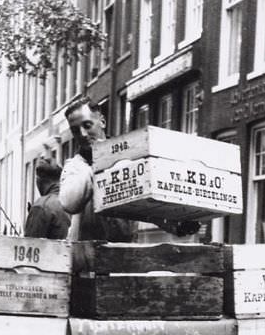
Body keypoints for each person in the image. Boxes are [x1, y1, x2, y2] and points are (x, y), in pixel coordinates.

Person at [59, 96, 199, 242]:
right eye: (75, 130)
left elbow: (145, 205)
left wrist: (176, 224)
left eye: (87, 125)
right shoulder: (74, 167)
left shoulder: (127, 158)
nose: (82, 134)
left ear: (102, 121)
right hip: (86, 257)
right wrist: (99, 160)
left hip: (123, 253)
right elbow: (70, 203)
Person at [24, 159, 70, 240]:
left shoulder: (41, 206)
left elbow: (30, 246)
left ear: (39, 180)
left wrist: (35, 215)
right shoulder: (73, 202)